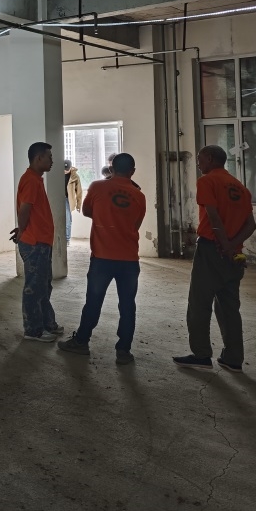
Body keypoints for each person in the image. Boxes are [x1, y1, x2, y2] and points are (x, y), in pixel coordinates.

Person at [57, 153, 147, 365]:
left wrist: (105, 214)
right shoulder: (139, 195)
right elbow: (136, 224)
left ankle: (81, 342)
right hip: (129, 259)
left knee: (93, 301)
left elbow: (87, 211)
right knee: (127, 306)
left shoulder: (97, 187)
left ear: (112, 169)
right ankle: (123, 351)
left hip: (102, 258)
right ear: (133, 171)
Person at [174, 145, 256, 372]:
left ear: (210, 159)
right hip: (234, 255)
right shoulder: (241, 188)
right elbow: (251, 225)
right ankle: (233, 358)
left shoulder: (207, 181)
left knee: (199, 303)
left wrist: (225, 245)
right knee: (229, 306)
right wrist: (233, 246)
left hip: (212, 249)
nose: (198, 164)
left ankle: (201, 355)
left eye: (200, 159)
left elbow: (213, 216)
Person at [11, 142, 63, 343]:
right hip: (34, 243)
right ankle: (33, 331)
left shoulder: (35, 179)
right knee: (34, 287)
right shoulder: (31, 180)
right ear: (38, 158)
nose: (52, 161)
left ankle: (48, 323)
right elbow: (25, 209)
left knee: (43, 285)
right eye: (49, 157)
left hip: (41, 241)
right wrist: (22, 230)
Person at [63, 160, 82, 246]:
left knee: (67, 220)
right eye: (64, 169)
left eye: (67, 169)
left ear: (70, 168)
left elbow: (79, 191)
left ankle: (67, 239)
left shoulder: (75, 176)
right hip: (58, 198)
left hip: (68, 200)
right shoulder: (57, 174)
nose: (65, 170)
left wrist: (78, 205)